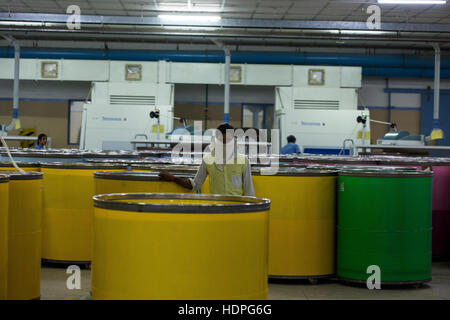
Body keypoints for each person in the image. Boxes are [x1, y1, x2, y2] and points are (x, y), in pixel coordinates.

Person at [159, 123, 255, 196]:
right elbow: (195, 185)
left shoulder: (243, 161)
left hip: (237, 209)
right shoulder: (208, 160)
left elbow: (249, 191)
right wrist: (173, 178)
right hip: (216, 209)